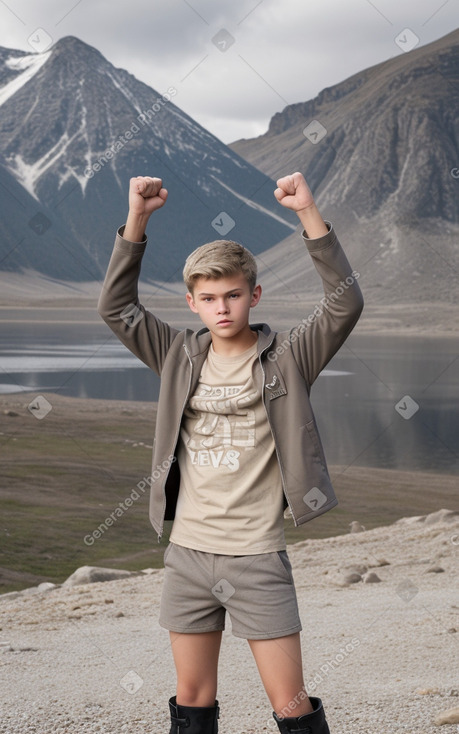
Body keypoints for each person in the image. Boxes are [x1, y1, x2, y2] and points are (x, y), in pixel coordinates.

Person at [98, 171, 363, 734]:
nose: (223, 308)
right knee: (191, 702)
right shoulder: (176, 354)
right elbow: (116, 306)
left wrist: (308, 212)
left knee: (290, 704)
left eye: (234, 295)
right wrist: (137, 220)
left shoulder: (289, 357)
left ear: (253, 295)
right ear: (192, 302)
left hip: (258, 555)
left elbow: (344, 305)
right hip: (189, 555)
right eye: (210, 298)